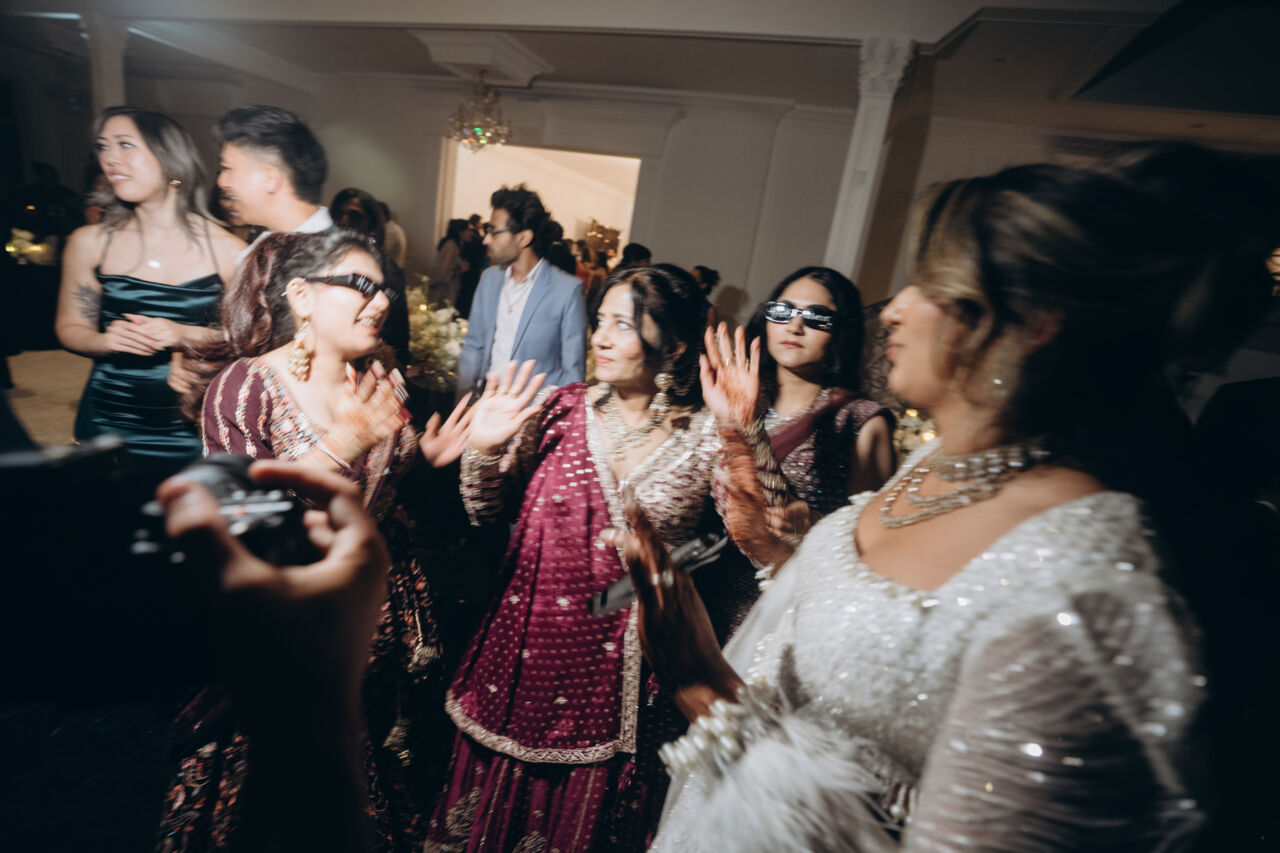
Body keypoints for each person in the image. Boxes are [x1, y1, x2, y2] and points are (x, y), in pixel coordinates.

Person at [613, 147, 1279, 852]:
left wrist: (703, 687)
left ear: (1033, 321)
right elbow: (861, 657)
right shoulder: (939, 463)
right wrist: (781, 557)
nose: (894, 309)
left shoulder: (1077, 579)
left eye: (929, 284)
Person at [425, 266, 784, 852]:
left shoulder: (702, 436)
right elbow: (484, 509)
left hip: (627, 673)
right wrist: (484, 450)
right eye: (600, 322)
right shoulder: (561, 408)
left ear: (673, 345)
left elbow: (762, 536)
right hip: (526, 651)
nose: (601, 337)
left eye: (623, 324)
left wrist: (746, 432)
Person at [158, 229, 472, 852]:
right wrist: (342, 443)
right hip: (288, 617)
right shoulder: (246, 386)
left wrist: (425, 457)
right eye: (360, 285)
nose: (380, 301)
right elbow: (240, 518)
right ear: (301, 296)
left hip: (381, 614)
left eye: (383, 289)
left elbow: (387, 484)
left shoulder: (380, 376)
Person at [55, 106, 244, 486]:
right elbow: (69, 327)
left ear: (170, 157)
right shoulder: (90, 242)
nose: (110, 159)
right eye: (103, 147)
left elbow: (252, 342)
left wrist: (183, 334)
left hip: (192, 420)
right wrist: (104, 341)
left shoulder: (228, 251)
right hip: (108, 418)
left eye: (125, 145)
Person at [741, 266, 896, 541]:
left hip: (792, 565)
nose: (794, 327)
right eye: (783, 311)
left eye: (817, 317)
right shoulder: (737, 397)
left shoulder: (859, 419)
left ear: (842, 331)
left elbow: (874, 536)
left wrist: (812, 523)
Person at [455, 185, 587, 397]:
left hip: (533, 412)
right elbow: (474, 345)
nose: (486, 239)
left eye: (493, 231)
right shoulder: (489, 279)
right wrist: (464, 401)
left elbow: (573, 373)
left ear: (524, 237)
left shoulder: (567, 290)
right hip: (484, 403)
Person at [213, 105, 331, 252]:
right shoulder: (267, 247)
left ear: (270, 179)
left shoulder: (338, 260)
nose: (222, 182)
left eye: (228, 168)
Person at [332, 187, 410, 366]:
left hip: (370, 361)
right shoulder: (325, 264)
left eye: (354, 216)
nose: (344, 221)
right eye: (339, 214)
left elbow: (399, 330)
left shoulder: (387, 270)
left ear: (371, 223)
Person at [433, 217, 470, 306]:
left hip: (449, 287)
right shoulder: (451, 245)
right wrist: (460, 270)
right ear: (460, 232)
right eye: (468, 230)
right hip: (447, 289)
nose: (470, 233)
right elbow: (444, 270)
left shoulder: (453, 244)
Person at [380, 201, 408, 269]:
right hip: (393, 268)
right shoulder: (392, 227)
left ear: (382, 215)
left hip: (392, 270)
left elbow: (382, 253)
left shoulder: (390, 231)